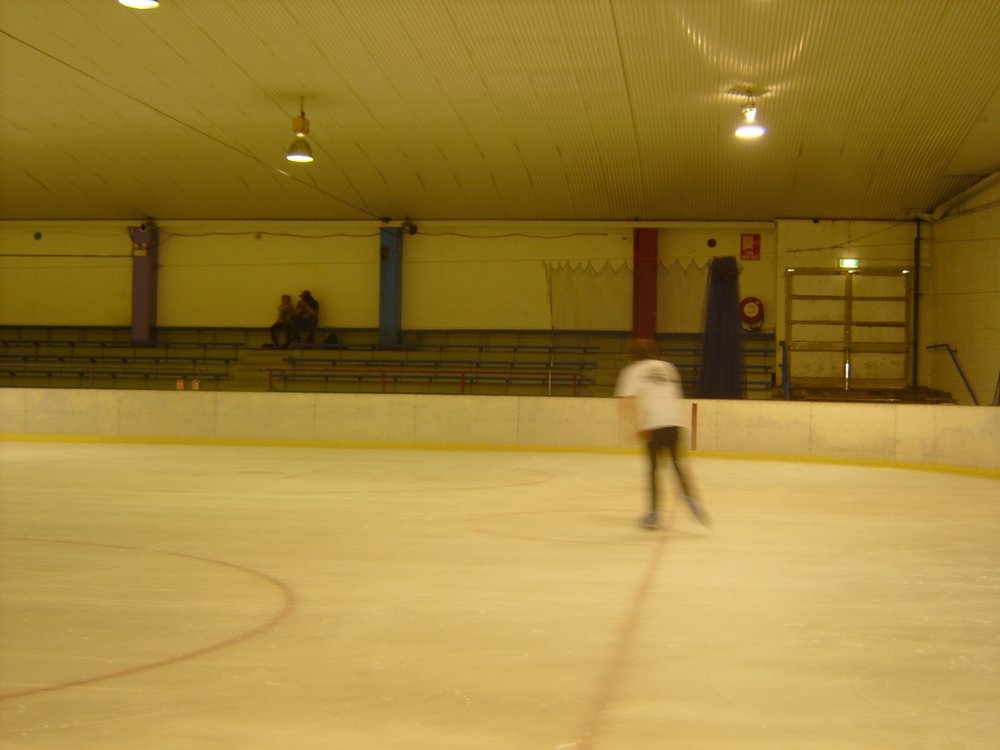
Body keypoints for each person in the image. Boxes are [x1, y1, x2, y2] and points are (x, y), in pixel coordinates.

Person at [615, 338, 710, 529]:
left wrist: (635, 427)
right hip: (674, 423)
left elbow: (628, 402)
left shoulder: (632, 371)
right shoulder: (668, 368)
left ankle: (654, 513)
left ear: (632, 356)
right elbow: (674, 395)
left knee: (653, 469)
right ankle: (690, 498)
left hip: (653, 425)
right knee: (677, 464)